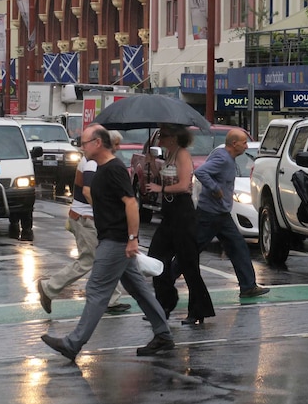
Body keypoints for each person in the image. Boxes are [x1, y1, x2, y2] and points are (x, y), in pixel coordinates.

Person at [41, 124, 174, 360]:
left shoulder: (113, 169)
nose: (81, 147)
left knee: (96, 290)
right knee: (139, 289)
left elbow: (131, 203)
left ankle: (73, 344)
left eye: (84, 143)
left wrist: (132, 239)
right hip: (112, 239)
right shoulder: (101, 169)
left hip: (116, 241)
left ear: (97, 143)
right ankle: (163, 334)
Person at [36, 130, 131, 315]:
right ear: (105, 144)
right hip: (86, 218)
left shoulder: (97, 161)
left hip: (85, 217)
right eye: (116, 144)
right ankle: (49, 287)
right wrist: (104, 212)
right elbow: (88, 191)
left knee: (106, 258)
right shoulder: (92, 163)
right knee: (89, 260)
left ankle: (110, 300)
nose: (119, 148)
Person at [146, 124, 215, 325]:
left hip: (183, 214)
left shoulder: (182, 155)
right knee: (156, 259)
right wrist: (152, 164)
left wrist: (161, 188)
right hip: (169, 213)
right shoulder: (169, 154)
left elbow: (184, 185)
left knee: (188, 264)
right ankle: (165, 302)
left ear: (174, 138)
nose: (159, 141)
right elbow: (165, 177)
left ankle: (198, 309)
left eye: (163, 136)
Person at [191, 129, 270, 298]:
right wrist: (215, 188)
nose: (246, 146)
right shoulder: (222, 158)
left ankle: (248, 286)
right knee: (192, 250)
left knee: (238, 247)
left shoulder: (224, 156)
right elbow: (200, 172)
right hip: (210, 214)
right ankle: (167, 281)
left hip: (221, 213)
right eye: (244, 143)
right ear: (234, 144)